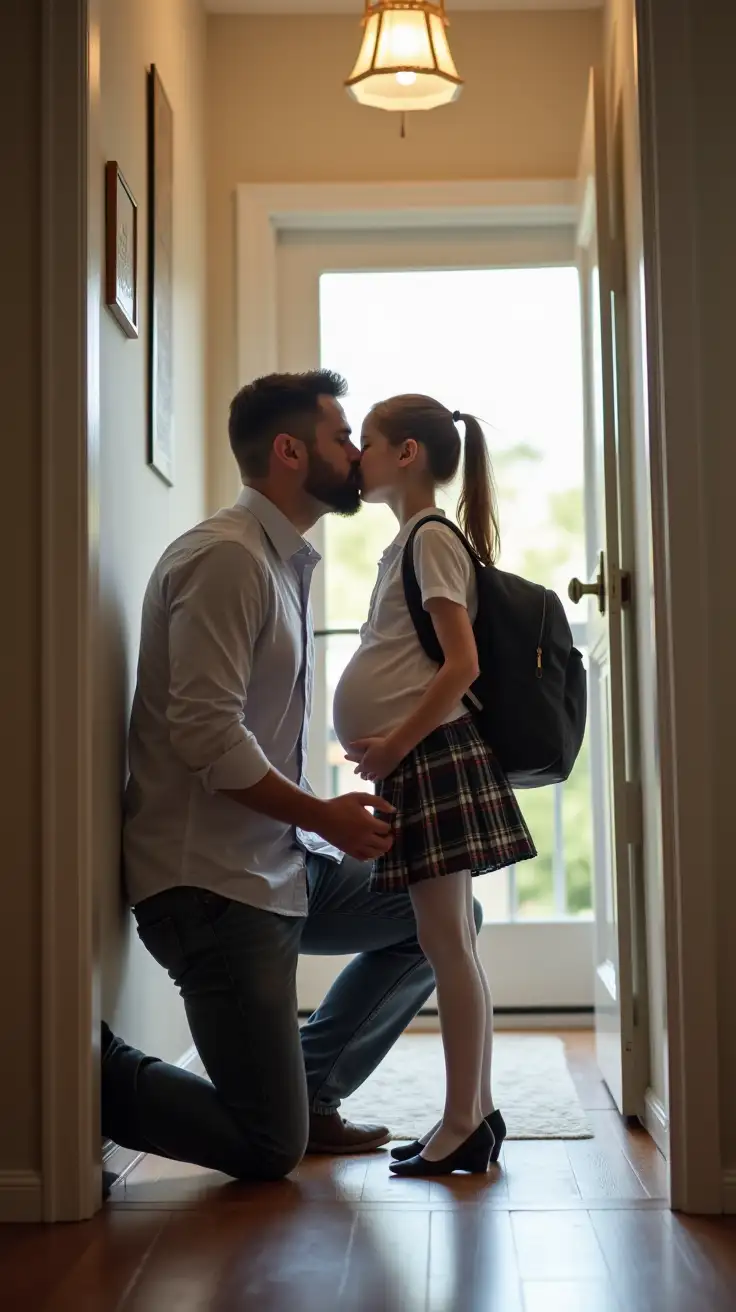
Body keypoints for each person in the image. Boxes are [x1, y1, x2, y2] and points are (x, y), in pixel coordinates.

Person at [101, 371, 485, 1184]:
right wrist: (326, 813)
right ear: (288, 451)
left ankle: (307, 1086)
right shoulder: (228, 561)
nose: (354, 453)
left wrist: (318, 824)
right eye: (342, 436)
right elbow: (208, 738)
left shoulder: (283, 562)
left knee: (444, 913)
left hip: (278, 860)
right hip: (211, 888)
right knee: (268, 1148)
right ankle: (87, 1068)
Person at [334, 395, 536, 1177]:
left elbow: (462, 665)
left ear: (408, 453)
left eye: (371, 443)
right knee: (450, 942)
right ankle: (471, 1116)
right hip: (423, 759)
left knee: (446, 944)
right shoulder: (410, 543)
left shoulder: (428, 541)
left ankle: (462, 1122)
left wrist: (393, 746)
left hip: (432, 758)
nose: (358, 457)